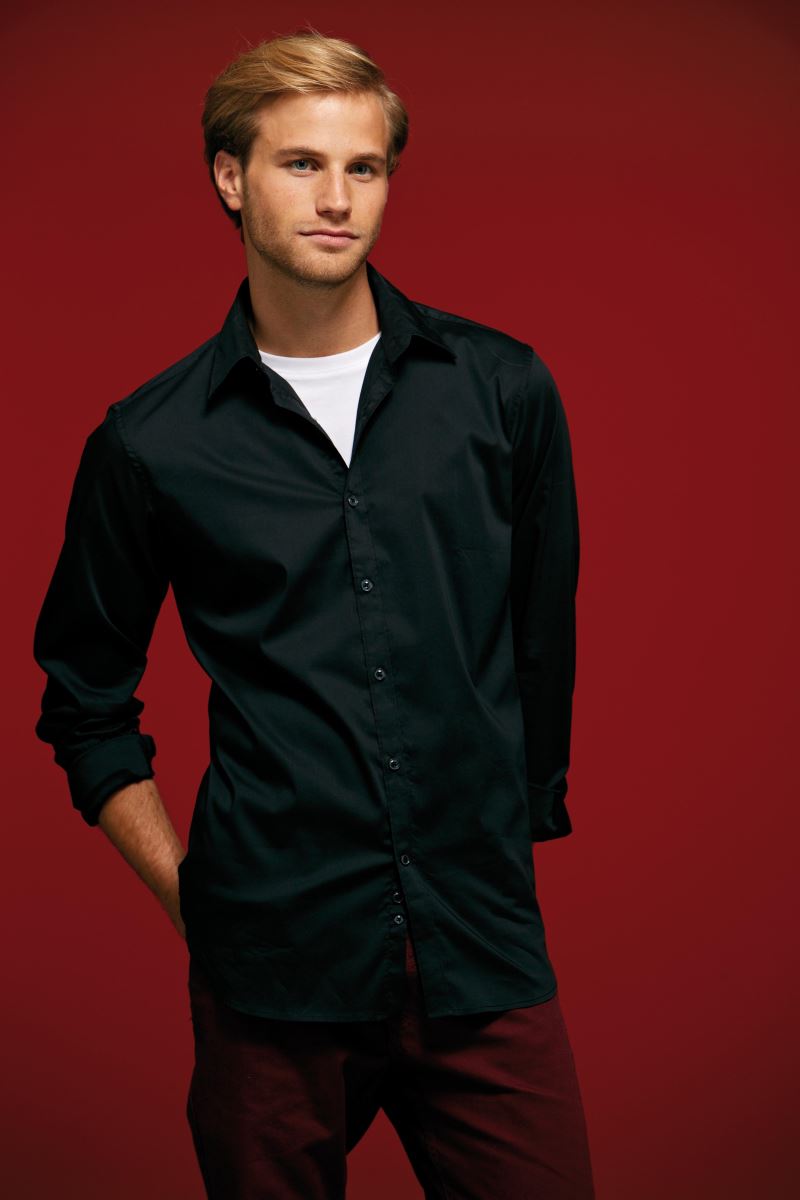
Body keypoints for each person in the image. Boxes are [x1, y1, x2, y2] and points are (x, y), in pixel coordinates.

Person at [32, 27, 595, 1200]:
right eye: (301, 164)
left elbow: (541, 644)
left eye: (363, 167)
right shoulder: (150, 443)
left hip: (477, 952)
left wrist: (506, 834)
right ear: (229, 178)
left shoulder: (501, 392)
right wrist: (199, 899)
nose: (337, 198)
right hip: (269, 977)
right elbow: (85, 704)